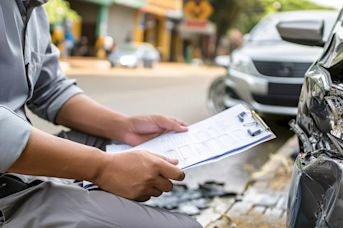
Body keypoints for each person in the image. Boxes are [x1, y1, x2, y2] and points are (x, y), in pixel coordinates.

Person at [0, 1, 201, 227]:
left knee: (129, 146)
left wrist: (124, 126)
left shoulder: (32, 10)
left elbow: (49, 89)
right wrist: (103, 168)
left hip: (17, 168)